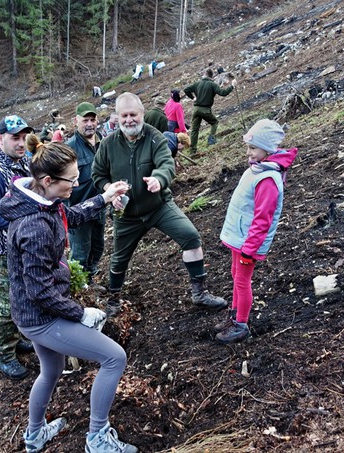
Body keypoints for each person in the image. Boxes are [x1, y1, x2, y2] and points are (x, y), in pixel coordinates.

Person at [0, 138, 138, 453]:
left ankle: (35, 435)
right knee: (114, 357)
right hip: (41, 317)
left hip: (33, 313)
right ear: (48, 180)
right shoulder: (33, 226)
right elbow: (39, 289)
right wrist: (79, 313)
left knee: (52, 369)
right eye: (71, 180)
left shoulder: (42, 201)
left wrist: (104, 198)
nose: (75, 185)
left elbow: (69, 216)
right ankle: (97, 439)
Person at [92, 92, 227, 316]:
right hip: (126, 214)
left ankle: (200, 293)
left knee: (191, 237)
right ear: (117, 117)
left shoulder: (155, 137)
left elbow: (166, 163)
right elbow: (98, 175)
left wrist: (158, 179)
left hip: (159, 206)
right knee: (118, 260)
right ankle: (114, 300)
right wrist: (109, 191)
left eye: (133, 115)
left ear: (142, 114)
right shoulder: (107, 145)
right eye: (124, 115)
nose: (129, 120)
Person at [215, 119, 298, 343]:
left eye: (253, 148)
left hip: (248, 243)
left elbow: (263, 219)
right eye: (248, 147)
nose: (248, 153)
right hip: (239, 238)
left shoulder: (268, 179)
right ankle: (234, 314)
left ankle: (241, 324)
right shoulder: (258, 169)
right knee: (235, 275)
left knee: (242, 281)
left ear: (267, 150)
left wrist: (249, 250)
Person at [0, 115, 36, 379]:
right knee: (11, 301)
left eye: (24, 137)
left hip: (22, 242)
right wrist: (18, 223)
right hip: (3, 248)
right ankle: (1, 353)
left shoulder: (22, 162)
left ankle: (14, 338)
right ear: (0, 139)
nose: (21, 143)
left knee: (22, 295)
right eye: (15, 138)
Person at [65, 102, 106, 283]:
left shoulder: (103, 142)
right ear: (76, 121)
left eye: (92, 119)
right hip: (78, 212)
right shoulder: (69, 149)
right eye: (85, 120)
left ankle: (90, 280)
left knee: (97, 248)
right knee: (80, 254)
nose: (89, 124)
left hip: (100, 207)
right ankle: (79, 290)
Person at [183, 68, 237, 153]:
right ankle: (211, 139)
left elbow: (186, 90)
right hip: (205, 110)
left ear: (205, 74)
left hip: (196, 109)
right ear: (211, 76)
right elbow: (223, 93)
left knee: (194, 130)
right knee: (214, 122)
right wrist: (232, 86)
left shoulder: (198, 83)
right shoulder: (212, 84)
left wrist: (193, 98)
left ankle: (193, 150)